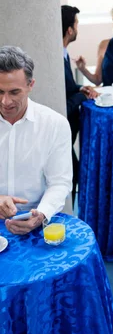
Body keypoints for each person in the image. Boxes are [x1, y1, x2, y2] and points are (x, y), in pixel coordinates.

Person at [0, 46, 72, 234]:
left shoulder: (55, 124)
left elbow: (59, 183)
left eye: (14, 92)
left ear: (31, 85)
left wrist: (42, 213)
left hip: (36, 224)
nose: (5, 102)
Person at [62, 5, 98, 203]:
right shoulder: (57, 58)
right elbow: (62, 103)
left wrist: (79, 88)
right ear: (69, 30)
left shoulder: (64, 53)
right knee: (74, 172)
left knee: (76, 171)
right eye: (76, 24)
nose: (77, 28)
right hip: (65, 127)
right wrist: (82, 96)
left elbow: (67, 87)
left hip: (71, 130)